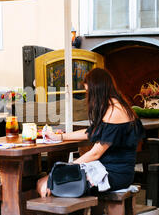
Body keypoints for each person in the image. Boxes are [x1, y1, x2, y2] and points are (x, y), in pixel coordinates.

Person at [37, 67, 144, 197]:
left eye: (89, 93)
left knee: (46, 183)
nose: (89, 97)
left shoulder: (114, 112)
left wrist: (64, 169)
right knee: (46, 182)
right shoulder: (116, 107)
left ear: (97, 91)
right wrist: (59, 136)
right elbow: (90, 132)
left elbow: (95, 154)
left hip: (113, 176)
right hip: (109, 171)